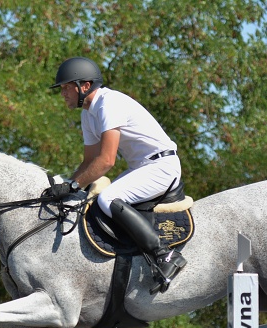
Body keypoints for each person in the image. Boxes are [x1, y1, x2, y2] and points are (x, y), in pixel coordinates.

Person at [48, 56, 186, 293]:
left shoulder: (108, 104)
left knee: (107, 198)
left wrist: (72, 187)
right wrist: (69, 185)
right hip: (143, 167)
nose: (63, 93)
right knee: (90, 199)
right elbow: (89, 161)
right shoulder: (87, 114)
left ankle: (164, 253)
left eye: (66, 87)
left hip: (162, 166)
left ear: (84, 85)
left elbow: (106, 161)